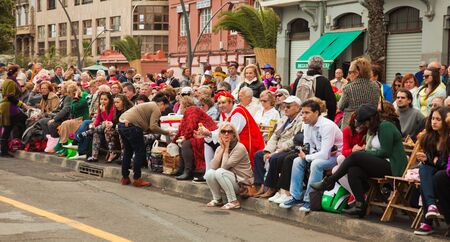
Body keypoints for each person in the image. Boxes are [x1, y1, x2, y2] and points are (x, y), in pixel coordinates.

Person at [311, 104, 408, 218]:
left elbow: (385, 152)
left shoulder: (386, 126)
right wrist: (365, 152)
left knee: (355, 156)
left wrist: (364, 153)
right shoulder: (372, 130)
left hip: (392, 165)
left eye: (365, 122)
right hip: (379, 163)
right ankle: (360, 206)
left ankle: (329, 181)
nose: (364, 125)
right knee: (353, 170)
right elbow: (371, 150)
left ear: (371, 119)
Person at [279, 100, 342, 212]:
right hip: (319, 154)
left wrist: (307, 157)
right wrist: (308, 155)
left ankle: (310, 200)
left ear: (317, 112)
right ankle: (296, 197)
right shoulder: (307, 125)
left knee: (316, 164)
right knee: (297, 161)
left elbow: (325, 154)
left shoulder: (327, 126)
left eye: (307, 113)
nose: (303, 116)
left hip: (336, 157)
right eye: (302, 113)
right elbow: (308, 146)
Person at [196, 91, 265, 170]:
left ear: (231, 102)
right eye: (219, 103)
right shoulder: (225, 113)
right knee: (207, 141)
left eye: (223, 102)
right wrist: (208, 134)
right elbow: (222, 129)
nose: (220, 106)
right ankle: (209, 171)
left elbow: (232, 132)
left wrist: (210, 134)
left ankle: (219, 171)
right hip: (233, 140)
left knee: (212, 140)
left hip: (248, 143)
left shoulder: (238, 112)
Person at [253, 96, 303, 199]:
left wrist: (277, 151)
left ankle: (272, 187)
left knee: (275, 158)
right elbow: (275, 136)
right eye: (284, 106)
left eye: (288, 106)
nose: (285, 108)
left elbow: (295, 139)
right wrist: (268, 150)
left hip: (288, 149)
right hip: (277, 147)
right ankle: (262, 185)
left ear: (298, 108)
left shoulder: (300, 120)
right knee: (259, 155)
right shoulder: (283, 119)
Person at [118, 102, 173, 187]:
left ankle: (125, 177)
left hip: (122, 124)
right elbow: (153, 126)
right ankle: (137, 178)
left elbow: (148, 127)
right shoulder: (156, 108)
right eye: (164, 107)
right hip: (132, 127)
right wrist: (166, 132)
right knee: (139, 152)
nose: (163, 110)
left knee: (128, 151)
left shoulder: (148, 105)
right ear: (161, 103)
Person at [414, 107, 450, 236]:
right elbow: (431, 162)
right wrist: (428, 160)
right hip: (434, 172)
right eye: (433, 119)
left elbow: (445, 165)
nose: (434, 122)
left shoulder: (448, 138)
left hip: (445, 174)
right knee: (425, 170)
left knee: (428, 177)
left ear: (446, 121)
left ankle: (427, 221)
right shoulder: (428, 137)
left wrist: (432, 161)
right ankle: (431, 206)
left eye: (438, 119)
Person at [205, 122, 254, 210]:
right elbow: (213, 166)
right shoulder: (220, 148)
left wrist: (226, 149)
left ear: (234, 134)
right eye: (223, 131)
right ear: (220, 134)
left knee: (220, 172)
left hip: (242, 184)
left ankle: (233, 201)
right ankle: (217, 199)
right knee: (210, 173)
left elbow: (224, 167)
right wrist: (222, 149)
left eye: (229, 131)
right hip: (229, 180)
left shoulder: (239, 147)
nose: (226, 134)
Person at [174, 97, 217, 180]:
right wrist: (175, 140)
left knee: (186, 143)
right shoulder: (188, 112)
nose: (180, 108)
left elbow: (191, 126)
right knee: (182, 141)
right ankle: (181, 168)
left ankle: (188, 171)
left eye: (181, 106)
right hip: (200, 133)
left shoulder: (192, 110)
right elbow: (182, 129)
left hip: (208, 134)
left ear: (185, 106)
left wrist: (185, 137)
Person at [339, 57, 380, 129]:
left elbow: (341, 106)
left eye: (350, 72)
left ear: (357, 73)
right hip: (371, 124)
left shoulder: (348, 88)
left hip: (351, 125)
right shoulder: (376, 86)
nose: (348, 76)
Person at [294, 55, 337, 121]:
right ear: (321, 67)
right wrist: (330, 119)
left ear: (308, 66)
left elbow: (292, 98)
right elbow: (331, 103)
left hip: (299, 118)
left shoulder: (299, 80)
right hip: (316, 119)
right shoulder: (324, 81)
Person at [0, 65, 29, 157]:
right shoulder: (11, 82)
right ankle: (6, 149)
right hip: (9, 107)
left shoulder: (7, 80)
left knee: (8, 128)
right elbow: (10, 96)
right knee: (20, 121)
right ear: (16, 72)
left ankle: (5, 149)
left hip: (7, 106)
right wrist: (22, 104)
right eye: (18, 72)